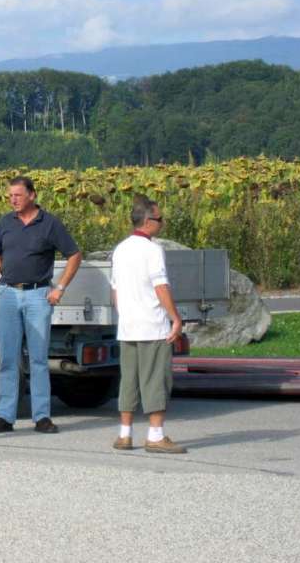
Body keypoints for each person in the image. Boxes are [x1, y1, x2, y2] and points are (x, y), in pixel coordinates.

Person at [0, 176, 82, 433]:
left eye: (17, 195)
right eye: (10, 196)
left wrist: (59, 287)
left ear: (32, 195)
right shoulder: (5, 223)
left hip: (38, 295)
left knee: (38, 359)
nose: (12, 200)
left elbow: (74, 254)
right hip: (7, 294)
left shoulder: (49, 224)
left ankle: (41, 417)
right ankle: (4, 416)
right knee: (7, 358)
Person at [110, 194, 186, 454]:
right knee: (156, 380)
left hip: (128, 325)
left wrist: (125, 315)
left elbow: (116, 290)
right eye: (159, 218)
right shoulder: (153, 250)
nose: (162, 223)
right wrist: (175, 317)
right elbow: (160, 286)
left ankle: (125, 433)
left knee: (128, 380)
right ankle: (155, 435)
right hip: (152, 325)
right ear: (147, 221)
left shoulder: (120, 249)